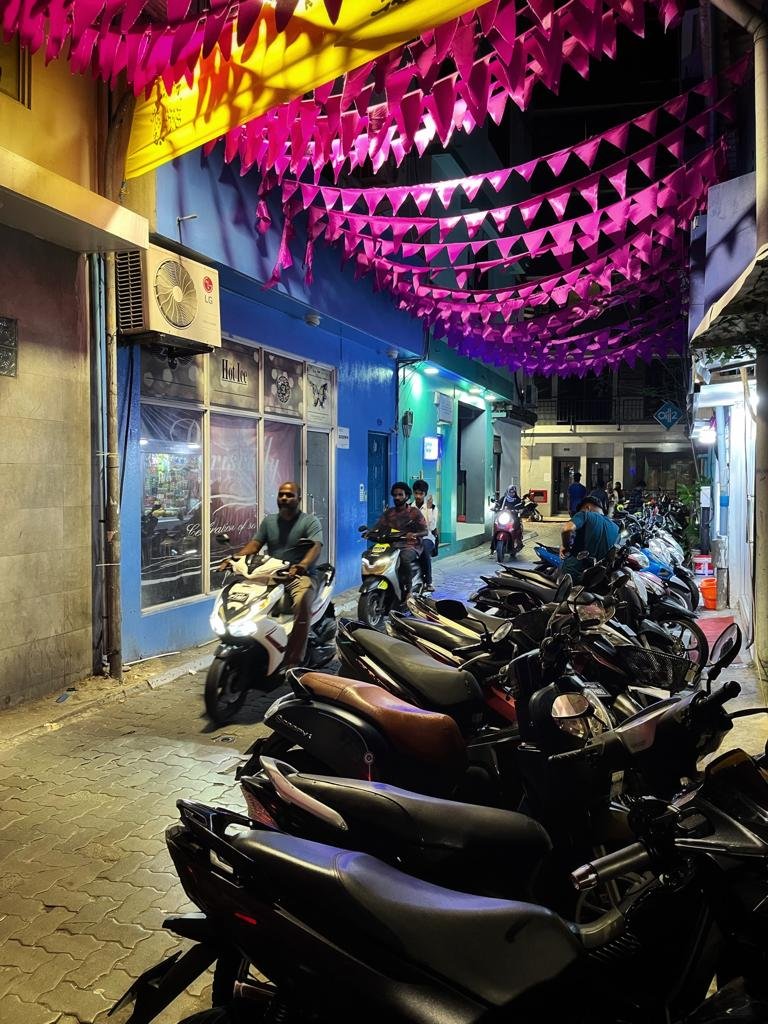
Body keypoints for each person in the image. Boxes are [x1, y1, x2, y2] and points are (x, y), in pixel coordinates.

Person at [224, 481, 322, 668]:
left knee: (302, 603)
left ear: (299, 499)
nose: (284, 498)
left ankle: (293, 661)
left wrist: (302, 565)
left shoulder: (310, 522)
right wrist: (234, 558)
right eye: (281, 494)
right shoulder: (269, 521)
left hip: (299, 576)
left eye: (289, 495)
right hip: (271, 572)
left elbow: (315, 547)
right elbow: (255, 544)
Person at [371, 482, 427, 603]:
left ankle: (408, 591)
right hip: (392, 546)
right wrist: (370, 532)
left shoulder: (414, 512)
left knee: (403, 558)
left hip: (410, 546)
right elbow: (378, 526)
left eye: (400, 495)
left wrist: (414, 534)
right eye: (395, 495)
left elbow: (425, 531)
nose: (397, 497)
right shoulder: (389, 513)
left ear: (407, 496)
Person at [560, 496, 620, 582]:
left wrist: (565, 547)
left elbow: (567, 529)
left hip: (572, 576)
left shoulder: (585, 514)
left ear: (587, 507)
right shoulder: (616, 528)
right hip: (597, 580)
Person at [412, 479, 438, 593]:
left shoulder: (432, 508)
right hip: (412, 538)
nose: (418, 496)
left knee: (423, 548)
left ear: (425, 494)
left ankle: (428, 581)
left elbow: (432, 527)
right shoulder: (409, 507)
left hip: (427, 537)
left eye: (421, 494)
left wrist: (429, 509)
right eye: (416, 493)